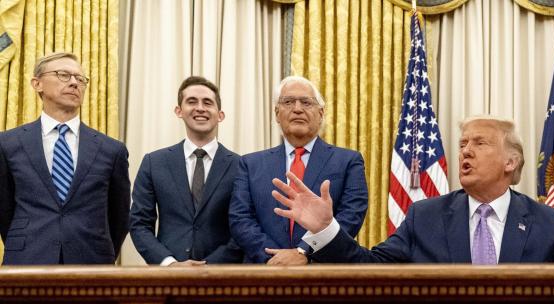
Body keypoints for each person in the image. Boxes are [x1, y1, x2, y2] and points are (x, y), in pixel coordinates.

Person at [270, 116, 554, 263]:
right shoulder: (424, 216)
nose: (465, 151)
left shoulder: (547, 222)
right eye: (463, 144)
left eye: (480, 144)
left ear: (511, 162)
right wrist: (326, 230)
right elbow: (370, 266)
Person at [0, 52, 129, 265]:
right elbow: (4, 210)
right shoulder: (8, 144)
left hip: (91, 263)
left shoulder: (111, 149)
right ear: (37, 83)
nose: (73, 83)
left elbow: (120, 215)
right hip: (26, 261)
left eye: (80, 79)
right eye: (63, 75)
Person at [229, 75, 368, 264]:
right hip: (263, 276)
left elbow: (351, 215)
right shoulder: (250, 164)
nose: (297, 109)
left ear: (321, 113)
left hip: (323, 276)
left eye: (306, 102)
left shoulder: (348, 161)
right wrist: (275, 258)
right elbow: (240, 219)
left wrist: (304, 252)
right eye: (288, 102)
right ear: (277, 113)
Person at [129, 76, 243, 265]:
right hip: (168, 278)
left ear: (220, 114)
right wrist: (169, 263)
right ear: (179, 111)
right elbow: (139, 223)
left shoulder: (241, 166)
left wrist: (209, 267)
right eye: (192, 102)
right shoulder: (154, 162)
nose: (200, 108)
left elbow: (243, 226)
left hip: (223, 278)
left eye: (208, 102)